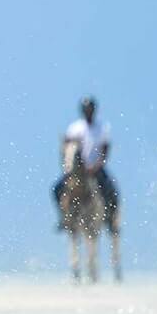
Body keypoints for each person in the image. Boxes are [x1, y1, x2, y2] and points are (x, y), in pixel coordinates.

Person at [53, 96, 117, 229]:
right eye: (86, 109)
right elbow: (67, 149)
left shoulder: (102, 127)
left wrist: (96, 166)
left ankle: (111, 218)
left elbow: (105, 150)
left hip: (96, 169)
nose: (88, 111)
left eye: (90, 109)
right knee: (57, 189)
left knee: (110, 190)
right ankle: (63, 217)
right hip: (77, 169)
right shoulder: (75, 128)